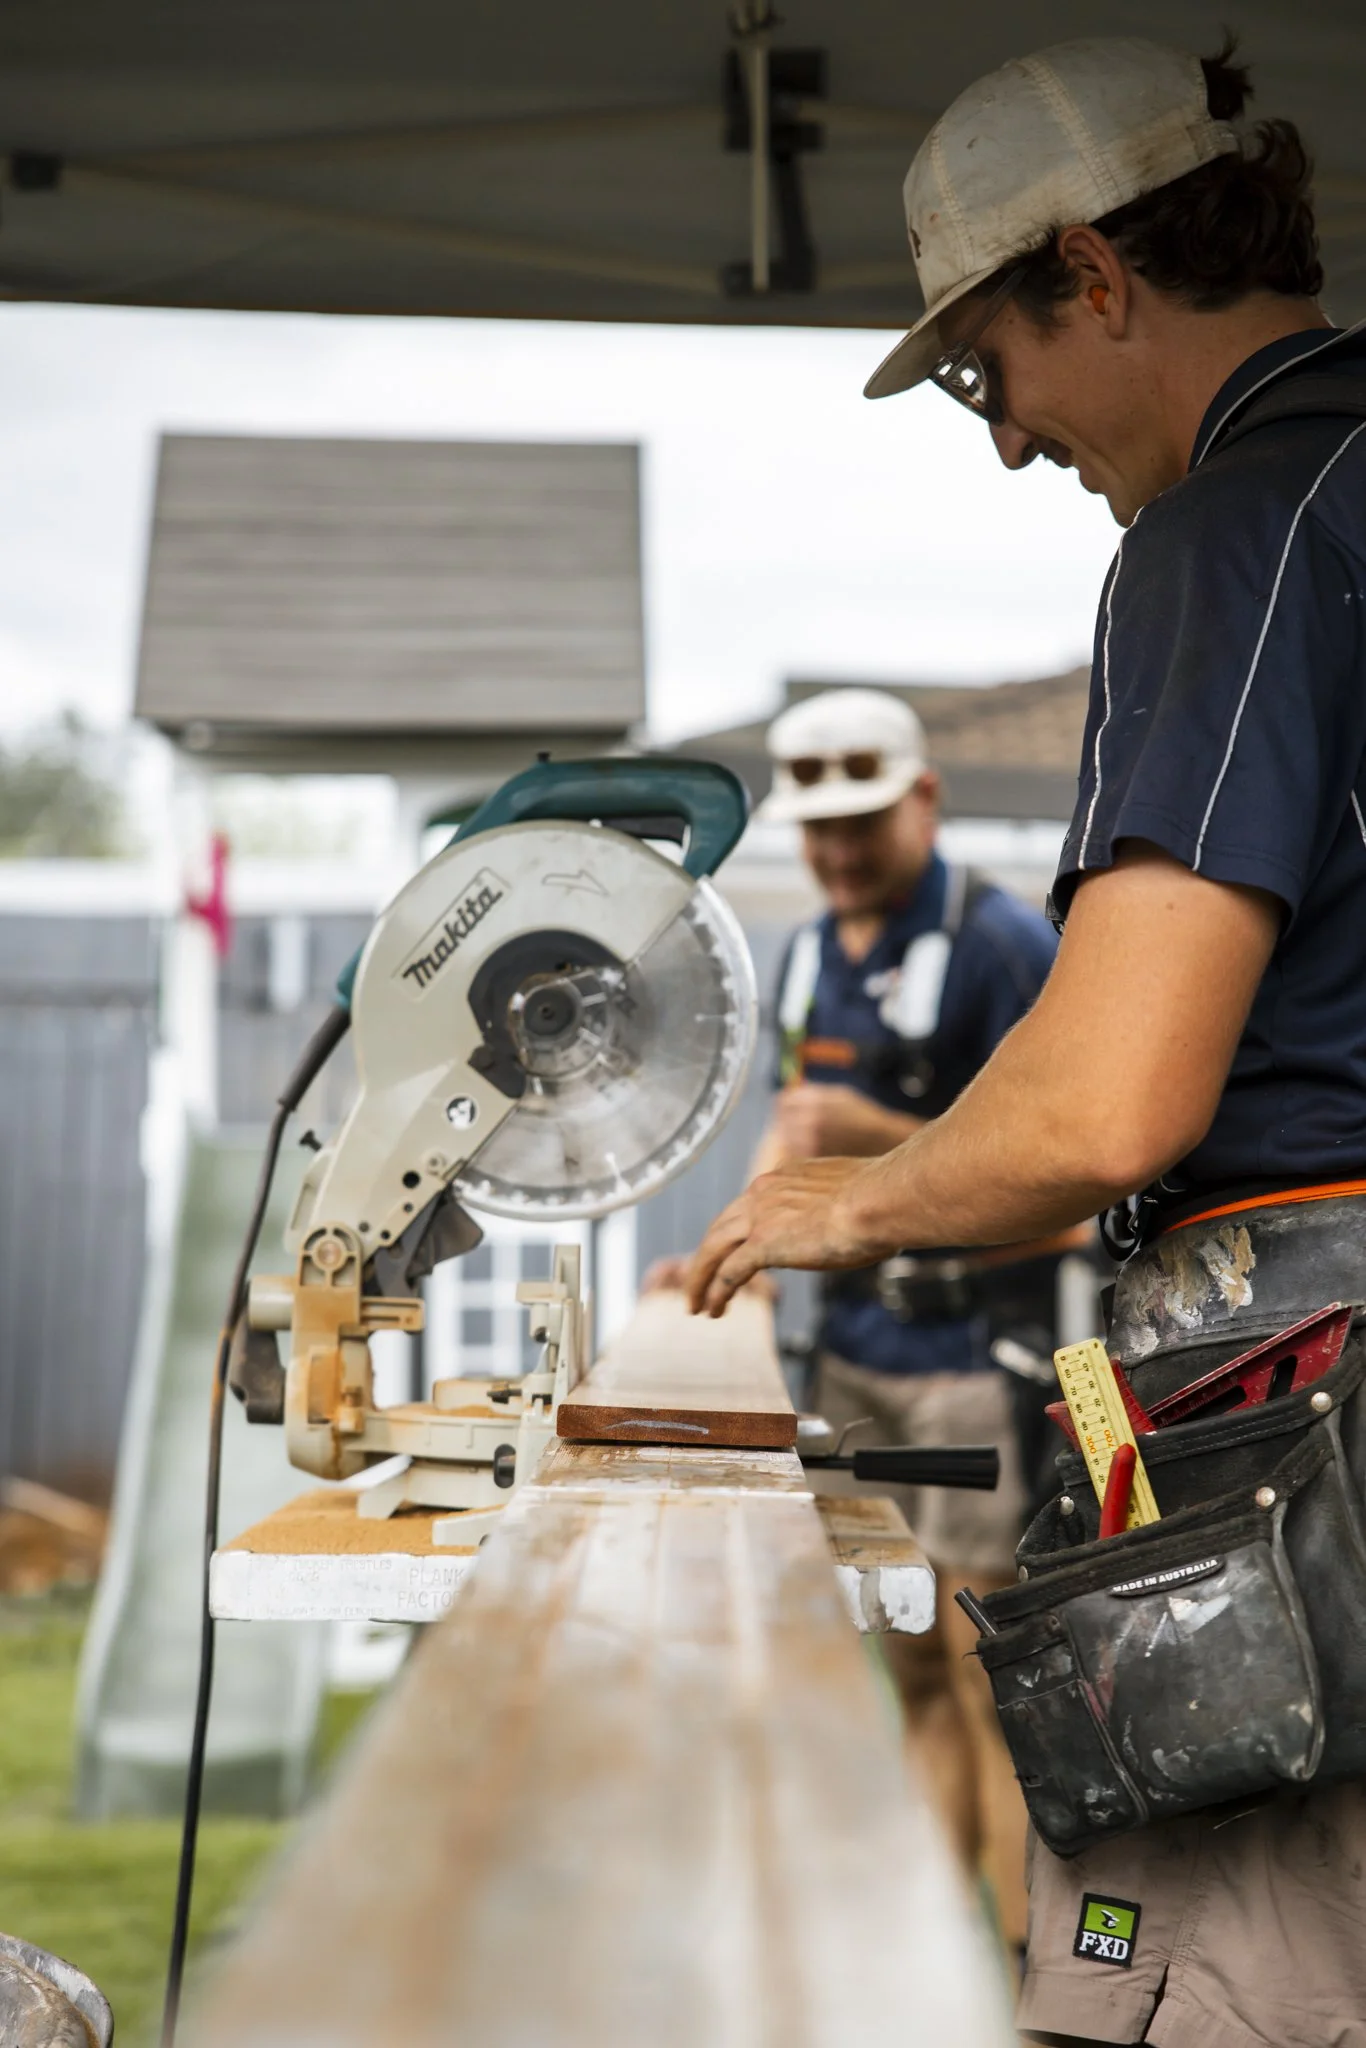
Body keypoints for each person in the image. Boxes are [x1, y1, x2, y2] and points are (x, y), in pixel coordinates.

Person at [686, 34, 1366, 2048]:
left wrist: (855, 1199)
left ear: (1091, 270)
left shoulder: (1237, 530)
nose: (1003, 443)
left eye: (989, 370)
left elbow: (1110, 1095)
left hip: (1298, 1385)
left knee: (1196, 1986)